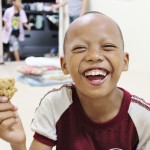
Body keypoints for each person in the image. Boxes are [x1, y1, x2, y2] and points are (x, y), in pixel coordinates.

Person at [0, 11, 150, 150]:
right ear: (64, 65)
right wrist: (17, 143)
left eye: (108, 46)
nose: (94, 56)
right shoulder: (55, 104)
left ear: (125, 61)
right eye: (80, 48)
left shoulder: (144, 119)